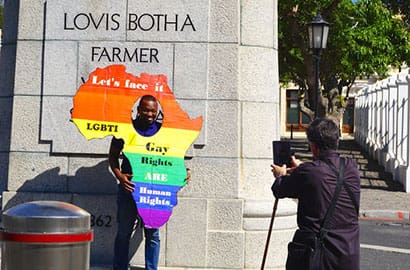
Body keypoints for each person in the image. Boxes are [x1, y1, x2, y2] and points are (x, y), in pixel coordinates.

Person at [109, 95, 190, 270]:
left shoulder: (164, 132)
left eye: (153, 111)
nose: (149, 114)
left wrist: (184, 172)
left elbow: (174, 158)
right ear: (138, 110)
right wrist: (120, 176)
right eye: (145, 110)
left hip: (153, 191)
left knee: (153, 234)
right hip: (129, 189)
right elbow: (113, 156)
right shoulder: (125, 130)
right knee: (123, 232)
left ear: (158, 112)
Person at [270, 118, 360, 270]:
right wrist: (303, 168)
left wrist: (281, 174)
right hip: (348, 254)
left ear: (313, 146)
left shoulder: (308, 172)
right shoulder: (351, 167)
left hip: (318, 257)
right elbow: (326, 175)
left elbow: (279, 189)